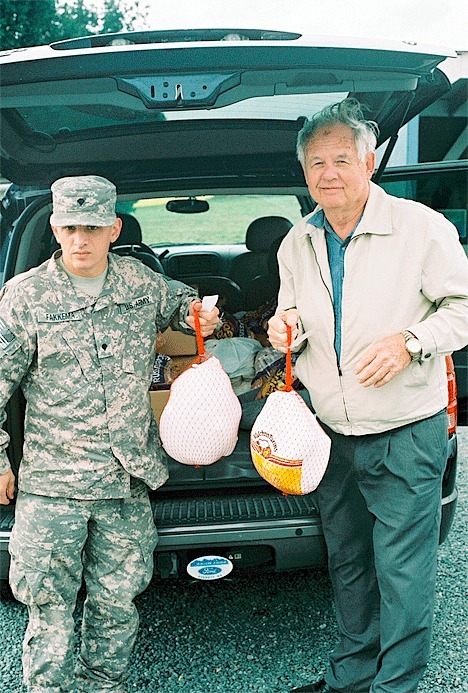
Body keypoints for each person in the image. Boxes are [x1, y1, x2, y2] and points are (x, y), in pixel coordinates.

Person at [268, 99, 468, 693]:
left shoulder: (422, 228)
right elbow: (292, 311)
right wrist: (286, 326)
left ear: (369, 161)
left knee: (403, 571)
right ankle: (351, 680)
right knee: (350, 565)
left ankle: (395, 686)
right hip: (330, 435)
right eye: (314, 163)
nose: (327, 173)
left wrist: (410, 341)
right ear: (304, 173)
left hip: (405, 430)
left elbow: (461, 310)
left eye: (340, 159)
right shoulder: (297, 241)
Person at [0, 175, 219, 693]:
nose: (81, 240)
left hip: (127, 480)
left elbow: (184, 308)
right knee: (49, 607)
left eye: (93, 227)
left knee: (116, 601)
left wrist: (202, 310)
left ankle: (103, 685)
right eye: (71, 226)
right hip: (54, 486)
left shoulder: (140, 283)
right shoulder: (24, 298)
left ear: (114, 228)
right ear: (55, 227)